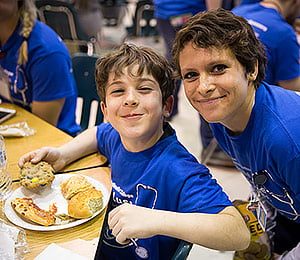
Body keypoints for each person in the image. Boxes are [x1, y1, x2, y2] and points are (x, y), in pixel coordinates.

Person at [18, 43, 250, 259]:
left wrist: (158, 220)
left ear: (166, 106)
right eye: (118, 91)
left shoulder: (178, 169)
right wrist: (64, 154)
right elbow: (99, 133)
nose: (130, 99)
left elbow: (238, 233)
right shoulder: (116, 136)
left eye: (144, 89)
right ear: (106, 111)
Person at [172, 8, 300, 259]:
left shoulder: (287, 140)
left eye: (218, 68)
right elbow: (265, 178)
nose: (204, 87)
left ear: (251, 68)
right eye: (191, 75)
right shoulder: (221, 116)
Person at [0, 0, 81, 136]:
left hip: (54, 144)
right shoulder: (6, 40)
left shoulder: (47, 52)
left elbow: (43, 131)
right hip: (14, 129)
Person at [233, 0, 300, 91]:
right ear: (296, 2)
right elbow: (291, 86)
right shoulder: (284, 32)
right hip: (255, 98)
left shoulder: (236, 11)